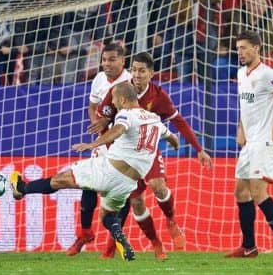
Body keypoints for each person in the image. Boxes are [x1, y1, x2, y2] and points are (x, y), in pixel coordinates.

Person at [10, 82, 180, 261]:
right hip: (127, 184)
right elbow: (172, 137)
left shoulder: (126, 114)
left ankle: (22, 188)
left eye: (114, 99)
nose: (113, 103)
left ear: (122, 99)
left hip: (108, 170)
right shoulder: (154, 118)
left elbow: (118, 129)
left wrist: (93, 144)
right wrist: (175, 146)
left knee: (59, 180)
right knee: (107, 215)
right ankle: (119, 235)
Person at [89, 52, 213, 259]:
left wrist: (199, 149)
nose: (136, 75)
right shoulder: (118, 91)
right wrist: (110, 147)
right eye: (134, 70)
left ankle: (172, 220)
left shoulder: (158, 96)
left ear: (151, 73)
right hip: (124, 156)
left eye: (142, 71)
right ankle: (156, 244)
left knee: (157, 185)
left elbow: (179, 121)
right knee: (136, 202)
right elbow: (103, 123)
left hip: (149, 150)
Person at [226, 30, 273, 259]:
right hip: (250, 141)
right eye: (238, 49)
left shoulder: (268, 74)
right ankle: (249, 246)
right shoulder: (241, 73)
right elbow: (244, 107)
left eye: (244, 48)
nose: (240, 52)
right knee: (240, 192)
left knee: (257, 190)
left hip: (266, 140)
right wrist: (240, 128)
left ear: (257, 48)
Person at [67, 43, 131, 257]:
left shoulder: (129, 82)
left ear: (123, 60)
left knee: (124, 191)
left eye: (112, 59)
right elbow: (92, 106)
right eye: (104, 59)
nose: (106, 64)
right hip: (103, 141)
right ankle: (85, 232)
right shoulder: (99, 79)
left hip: (124, 143)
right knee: (88, 182)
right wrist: (98, 126)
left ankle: (115, 241)